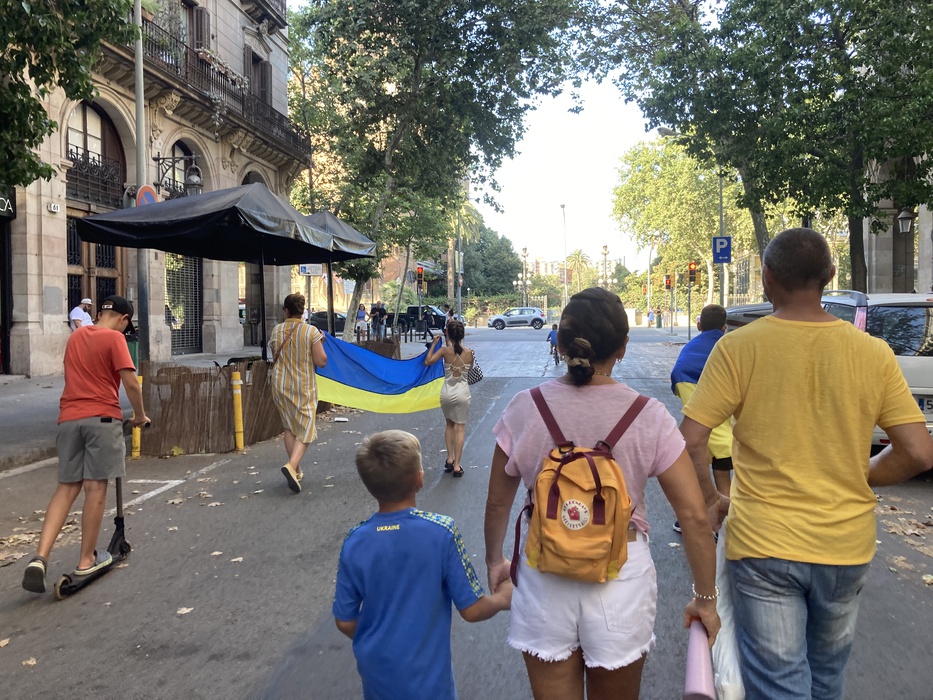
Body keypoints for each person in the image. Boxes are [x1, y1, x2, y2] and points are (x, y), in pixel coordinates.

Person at [679, 228, 933, 700]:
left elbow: (691, 441)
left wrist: (713, 499)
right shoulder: (873, 353)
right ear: (830, 276)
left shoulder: (738, 348)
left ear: (767, 277)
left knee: (779, 684)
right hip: (846, 545)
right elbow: (918, 452)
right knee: (825, 679)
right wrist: (863, 474)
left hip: (764, 545)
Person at [483, 287, 719, 699]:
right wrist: (705, 598)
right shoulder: (648, 415)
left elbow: (498, 501)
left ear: (560, 343)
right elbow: (695, 516)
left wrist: (494, 560)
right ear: (623, 347)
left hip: (543, 572)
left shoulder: (525, 406)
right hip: (620, 576)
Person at [333, 430, 513, 699]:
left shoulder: (354, 540)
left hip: (376, 668)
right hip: (427, 674)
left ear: (369, 485)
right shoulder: (441, 532)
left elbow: (344, 620)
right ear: (419, 479)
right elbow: (472, 610)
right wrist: (503, 598)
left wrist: (378, 640)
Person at [22, 295, 149, 594]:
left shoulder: (76, 337)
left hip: (68, 419)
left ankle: (40, 557)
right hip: (101, 419)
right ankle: (86, 560)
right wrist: (140, 415)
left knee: (66, 488)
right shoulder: (114, 339)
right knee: (95, 488)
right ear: (123, 319)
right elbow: (131, 382)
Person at [670, 304, 732, 533]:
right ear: (724, 327)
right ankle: (725, 523)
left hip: (684, 381)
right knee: (721, 448)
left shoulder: (691, 345)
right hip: (711, 385)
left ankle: (692, 513)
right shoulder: (726, 343)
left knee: (699, 452)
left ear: (698, 326)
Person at [269, 293, 327, 494]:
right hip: (303, 385)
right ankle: (291, 465)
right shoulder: (311, 332)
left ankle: (297, 470)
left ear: (286, 310)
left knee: (289, 426)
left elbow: (275, 354)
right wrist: (322, 343)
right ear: (302, 311)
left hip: (280, 383)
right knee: (306, 427)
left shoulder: (276, 330)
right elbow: (321, 361)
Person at [424, 319, 474, 477]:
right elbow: (470, 370)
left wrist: (434, 344)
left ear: (448, 335)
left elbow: (428, 361)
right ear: (462, 335)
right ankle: (457, 466)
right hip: (463, 393)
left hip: (447, 393)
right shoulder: (470, 353)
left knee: (449, 425)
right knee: (460, 429)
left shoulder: (444, 351)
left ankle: (449, 458)